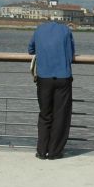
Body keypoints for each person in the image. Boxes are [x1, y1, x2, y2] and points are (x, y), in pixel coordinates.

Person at [28, 20, 76, 159]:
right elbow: (71, 54)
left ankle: (42, 151)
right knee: (61, 116)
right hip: (63, 77)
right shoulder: (66, 31)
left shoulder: (38, 30)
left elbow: (31, 49)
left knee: (45, 114)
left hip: (44, 78)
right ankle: (55, 152)